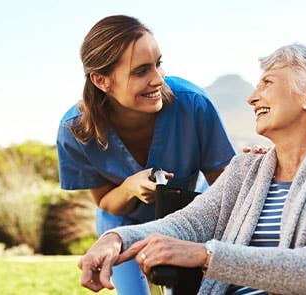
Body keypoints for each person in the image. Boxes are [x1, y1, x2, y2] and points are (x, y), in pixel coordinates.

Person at [78, 43, 306, 294]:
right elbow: (185, 225)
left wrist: (206, 256)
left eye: (267, 83)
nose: (251, 98)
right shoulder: (248, 168)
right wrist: (116, 238)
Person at [57, 15, 236, 294]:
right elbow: (106, 202)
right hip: (121, 224)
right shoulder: (75, 131)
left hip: (187, 217)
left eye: (158, 64)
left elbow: (227, 189)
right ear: (101, 80)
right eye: (141, 71)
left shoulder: (193, 105)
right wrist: (129, 187)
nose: (157, 79)